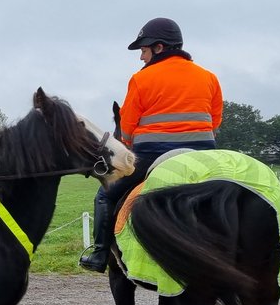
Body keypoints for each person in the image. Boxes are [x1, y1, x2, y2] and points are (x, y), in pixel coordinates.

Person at [79, 17, 223, 273]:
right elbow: (215, 120)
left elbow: (127, 127)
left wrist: (127, 147)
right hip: (204, 156)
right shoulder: (209, 77)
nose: (141, 58)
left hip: (152, 155)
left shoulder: (141, 79)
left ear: (159, 47)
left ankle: (100, 253)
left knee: (105, 194)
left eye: (143, 50)